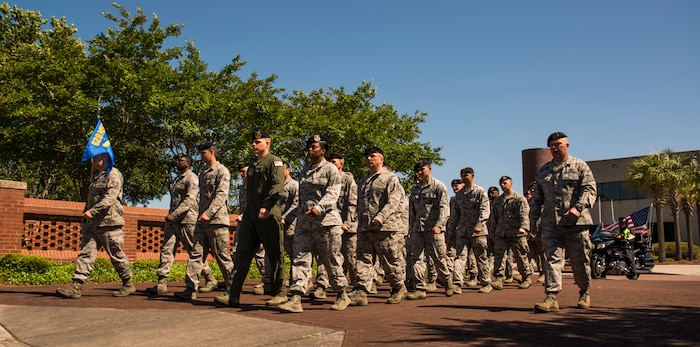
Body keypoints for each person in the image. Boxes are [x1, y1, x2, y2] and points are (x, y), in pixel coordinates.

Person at [278, 135, 350, 313]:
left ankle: (341, 293)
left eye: (314, 147)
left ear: (323, 150)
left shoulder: (330, 169)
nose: (310, 149)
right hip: (305, 224)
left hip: (326, 224)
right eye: (309, 146)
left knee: (330, 259)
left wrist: (319, 207)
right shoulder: (305, 171)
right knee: (300, 258)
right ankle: (295, 297)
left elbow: (333, 192)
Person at [215, 131, 287, 308]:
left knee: (275, 254)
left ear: (267, 143)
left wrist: (267, 205)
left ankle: (279, 293)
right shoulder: (253, 166)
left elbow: (277, 186)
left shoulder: (274, 162)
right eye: (253, 142)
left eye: (257, 142)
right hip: (251, 216)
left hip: (268, 214)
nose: (254, 145)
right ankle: (232, 294)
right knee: (242, 254)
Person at [530, 132, 597, 313]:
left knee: (579, 260)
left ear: (567, 145)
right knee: (552, 259)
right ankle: (551, 297)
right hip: (551, 223)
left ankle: (584, 292)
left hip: (576, 222)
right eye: (552, 145)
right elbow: (537, 198)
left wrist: (578, 207)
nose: (555, 147)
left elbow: (590, 189)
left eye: (559, 144)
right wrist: (532, 219)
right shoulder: (544, 171)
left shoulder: (580, 166)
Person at [56, 153, 135, 299]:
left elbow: (110, 197)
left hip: (109, 222)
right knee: (86, 253)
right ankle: (76, 286)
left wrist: (93, 211)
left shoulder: (114, 174)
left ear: (104, 158)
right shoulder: (97, 177)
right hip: (92, 224)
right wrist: (85, 218)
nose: (92, 160)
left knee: (116, 255)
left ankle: (128, 283)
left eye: (95, 157)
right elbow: (90, 200)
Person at [146, 153, 216, 295]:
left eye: (181, 160)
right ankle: (162, 283)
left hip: (187, 220)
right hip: (173, 221)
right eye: (176, 160)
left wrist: (175, 214)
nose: (177, 162)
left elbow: (190, 200)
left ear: (188, 163)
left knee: (194, 251)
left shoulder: (192, 178)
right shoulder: (177, 179)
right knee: (166, 250)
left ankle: (209, 278)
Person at [349, 147, 408, 306]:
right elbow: (357, 203)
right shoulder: (363, 180)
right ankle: (361, 291)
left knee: (390, 261)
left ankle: (398, 287)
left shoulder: (390, 178)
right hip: (365, 227)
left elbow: (394, 201)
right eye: (367, 156)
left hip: (385, 228)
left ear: (381, 159)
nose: (369, 159)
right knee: (363, 259)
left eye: (373, 156)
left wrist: (381, 217)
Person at [175, 143, 234, 300]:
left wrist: (209, 213)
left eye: (204, 153)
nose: (201, 156)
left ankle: (233, 288)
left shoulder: (222, 171)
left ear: (212, 152)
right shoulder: (202, 174)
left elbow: (221, 195)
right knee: (196, 254)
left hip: (217, 221)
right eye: (200, 153)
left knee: (221, 256)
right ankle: (190, 288)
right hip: (202, 222)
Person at [406, 160, 454, 300]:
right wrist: (411, 229)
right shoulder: (415, 189)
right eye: (418, 170)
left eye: (422, 169)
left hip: (434, 229)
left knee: (438, 258)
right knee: (416, 258)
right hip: (418, 230)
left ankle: (447, 281)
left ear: (430, 169)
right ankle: (420, 288)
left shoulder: (439, 186)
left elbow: (444, 208)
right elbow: (412, 212)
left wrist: (439, 225)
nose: (420, 172)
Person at [314, 153, 357, 294]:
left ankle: (357, 287)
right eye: (329, 162)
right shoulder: (325, 178)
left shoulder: (348, 180)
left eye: (334, 162)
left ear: (341, 164)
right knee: (325, 255)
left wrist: (348, 223)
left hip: (346, 226)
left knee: (350, 258)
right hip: (329, 224)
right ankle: (321, 286)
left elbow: (353, 203)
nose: (331, 164)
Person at [448, 167, 492, 293]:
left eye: (466, 174)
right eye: (462, 174)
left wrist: (479, 224)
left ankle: (485, 282)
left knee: (481, 257)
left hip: (477, 231)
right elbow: (455, 214)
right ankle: (457, 283)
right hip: (462, 231)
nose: (464, 176)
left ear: (472, 175)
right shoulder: (459, 195)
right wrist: (451, 231)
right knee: (460, 257)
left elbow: (485, 209)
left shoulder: (479, 191)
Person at [490, 176, 533, 290]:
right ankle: (499, 279)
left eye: (505, 183)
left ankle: (526, 277)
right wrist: (493, 233)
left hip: (516, 233)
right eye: (501, 184)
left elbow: (524, 214)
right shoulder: (498, 201)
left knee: (520, 256)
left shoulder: (519, 198)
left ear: (511, 183)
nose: (503, 186)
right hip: (501, 233)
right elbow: (494, 218)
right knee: (499, 256)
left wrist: (523, 228)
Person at [279, 161, 299, 286]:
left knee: (294, 253)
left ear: (288, 170)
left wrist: (285, 218)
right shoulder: (277, 186)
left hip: (290, 224)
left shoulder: (294, 185)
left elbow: (296, 204)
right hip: (277, 224)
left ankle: (297, 279)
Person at [525, 181, 546, 283]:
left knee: (543, 255)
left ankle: (543, 273)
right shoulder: (527, 202)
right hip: (529, 232)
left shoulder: (543, 202)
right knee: (528, 254)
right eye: (531, 189)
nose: (533, 190)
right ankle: (527, 275)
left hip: (541, 232)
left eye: (534, 188)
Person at [445, 179, 464, 290]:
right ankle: (454, 279)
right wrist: (449, 231)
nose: (455, 188)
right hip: (453, 231)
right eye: (453, 186)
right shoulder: (452, 200)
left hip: (466, 231)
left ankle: (476, 276)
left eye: (457, 185)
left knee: (463, 256)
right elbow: (451, 217)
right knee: (451, 255)